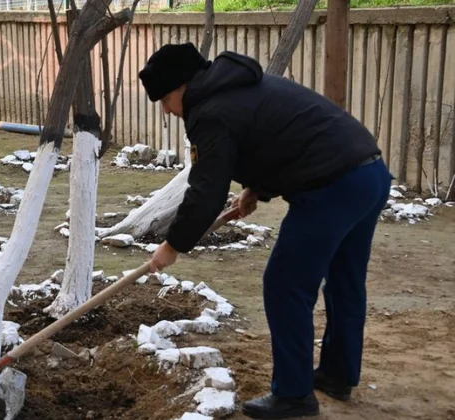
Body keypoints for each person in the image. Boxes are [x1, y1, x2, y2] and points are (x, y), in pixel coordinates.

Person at [139, 42, 391, 419]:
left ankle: (293, 396)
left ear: (180, 88)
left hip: (331, 188)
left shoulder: (209, 111)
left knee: (285, 284)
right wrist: (256, 188)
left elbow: (206, 189)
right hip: (368, 174)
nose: (167, 110)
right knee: (344, 280)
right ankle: (338, 374)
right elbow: (279, 137)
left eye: (164, 100)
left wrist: (173, 245)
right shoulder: (241, 86)